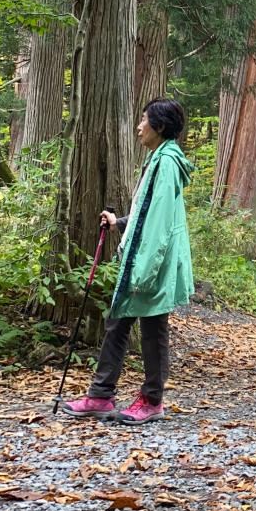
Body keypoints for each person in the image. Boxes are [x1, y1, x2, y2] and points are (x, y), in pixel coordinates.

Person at [62, 98, 194, 425]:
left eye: (144, 119)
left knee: (151, 328)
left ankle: (150, 400)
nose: (139, 126)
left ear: (159, 127)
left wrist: (144, 271)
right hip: (145, 258)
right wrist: (120, 222)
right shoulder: (159, 159)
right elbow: (146, 212)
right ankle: (101, 395)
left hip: (150, 263)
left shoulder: (165, 164)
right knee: (119, 323)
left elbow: (160, 223)